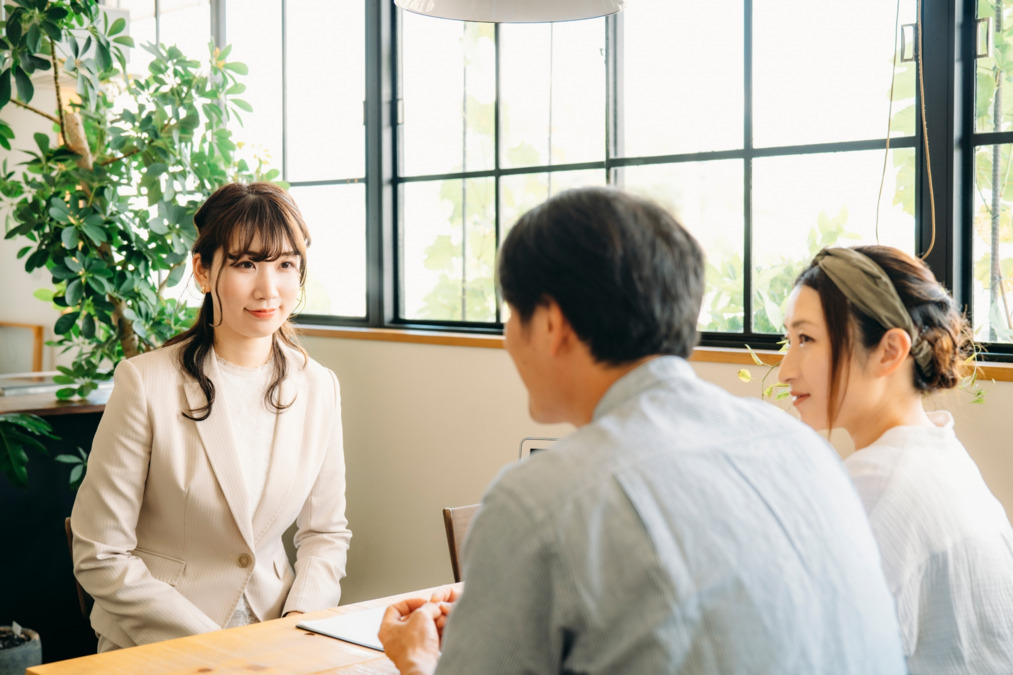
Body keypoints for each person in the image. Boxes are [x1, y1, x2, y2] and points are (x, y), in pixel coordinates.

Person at [378, 187, 905, 674]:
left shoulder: (535, 503)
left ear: (551, 324)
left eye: (512, 314)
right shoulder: (798, 446)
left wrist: (419, 661)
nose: (507, 339)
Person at [70, 182, 351, 651]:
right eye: (245, 264)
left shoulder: (319, 386)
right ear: (203, 271)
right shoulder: (145, 383)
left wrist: (298, 624)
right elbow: (100, 553)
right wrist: (217, 646)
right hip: (159, 642)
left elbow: (326, 534)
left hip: (276, 639)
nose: (268, 288)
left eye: (285, 265)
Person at [779, 245, 1013, 674]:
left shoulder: (878, 487)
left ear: (889, 351)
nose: (784, 370)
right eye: (789, 340)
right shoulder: (941, 454)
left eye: (807, 339)